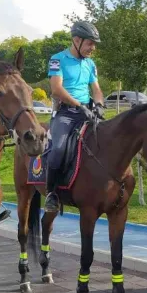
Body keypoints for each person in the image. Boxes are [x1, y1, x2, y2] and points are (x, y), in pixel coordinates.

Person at [45, 21, 105, 213]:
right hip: (66, 115)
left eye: (94, 44)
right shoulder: (57, 59)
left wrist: (99, 105)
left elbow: (96, 89)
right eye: (90, 43)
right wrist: (79, 106)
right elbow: (56, 89)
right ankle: (51, 193)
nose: (93, 48)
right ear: (76, 40)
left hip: (88, 113)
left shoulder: (90, 64)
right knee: (59, 149)